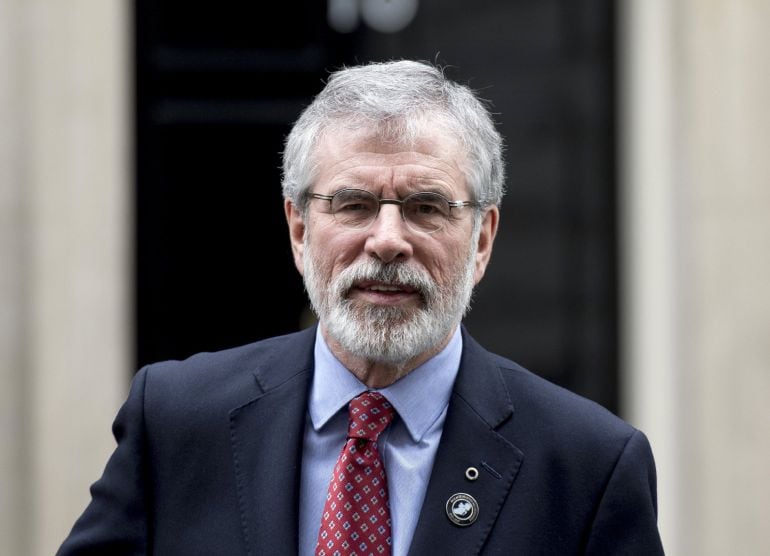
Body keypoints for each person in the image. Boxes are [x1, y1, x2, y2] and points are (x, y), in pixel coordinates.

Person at [58, 59, 664, 555]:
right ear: (299, 230)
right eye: (353, 205)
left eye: (427, 207)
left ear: (481, 239)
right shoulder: (175, 422)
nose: (387, 239)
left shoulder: (589, 466)